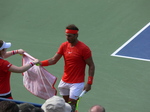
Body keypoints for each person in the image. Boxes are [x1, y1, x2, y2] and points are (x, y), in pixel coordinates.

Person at [40, 24, 95, 112]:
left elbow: (91, 65)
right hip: (64, 81)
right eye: (66, 35)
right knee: (65, 105)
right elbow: (53, 60)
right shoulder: (64, 46)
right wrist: (40, 63)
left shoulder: (84, 49)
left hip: (77, 83)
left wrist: (89, 82)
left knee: (71, 106)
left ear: (76, 35)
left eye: (69, 36)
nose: (67, 38)